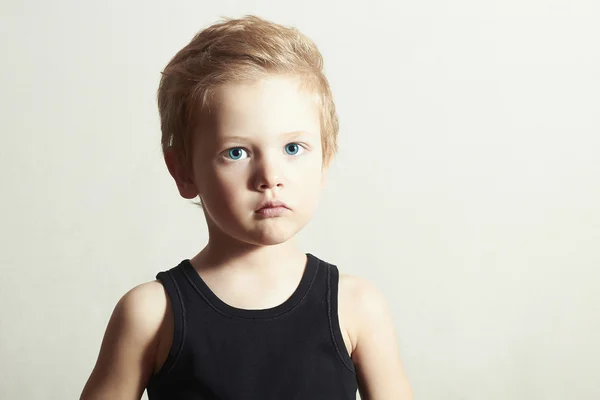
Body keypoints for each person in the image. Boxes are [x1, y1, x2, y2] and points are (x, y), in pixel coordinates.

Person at [80, 15, 413, 400]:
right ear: (183, 172)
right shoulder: (151, 314)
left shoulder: (356, 307)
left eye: (293, 148)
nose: (269, 176)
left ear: (325, 160)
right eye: (236, 152)